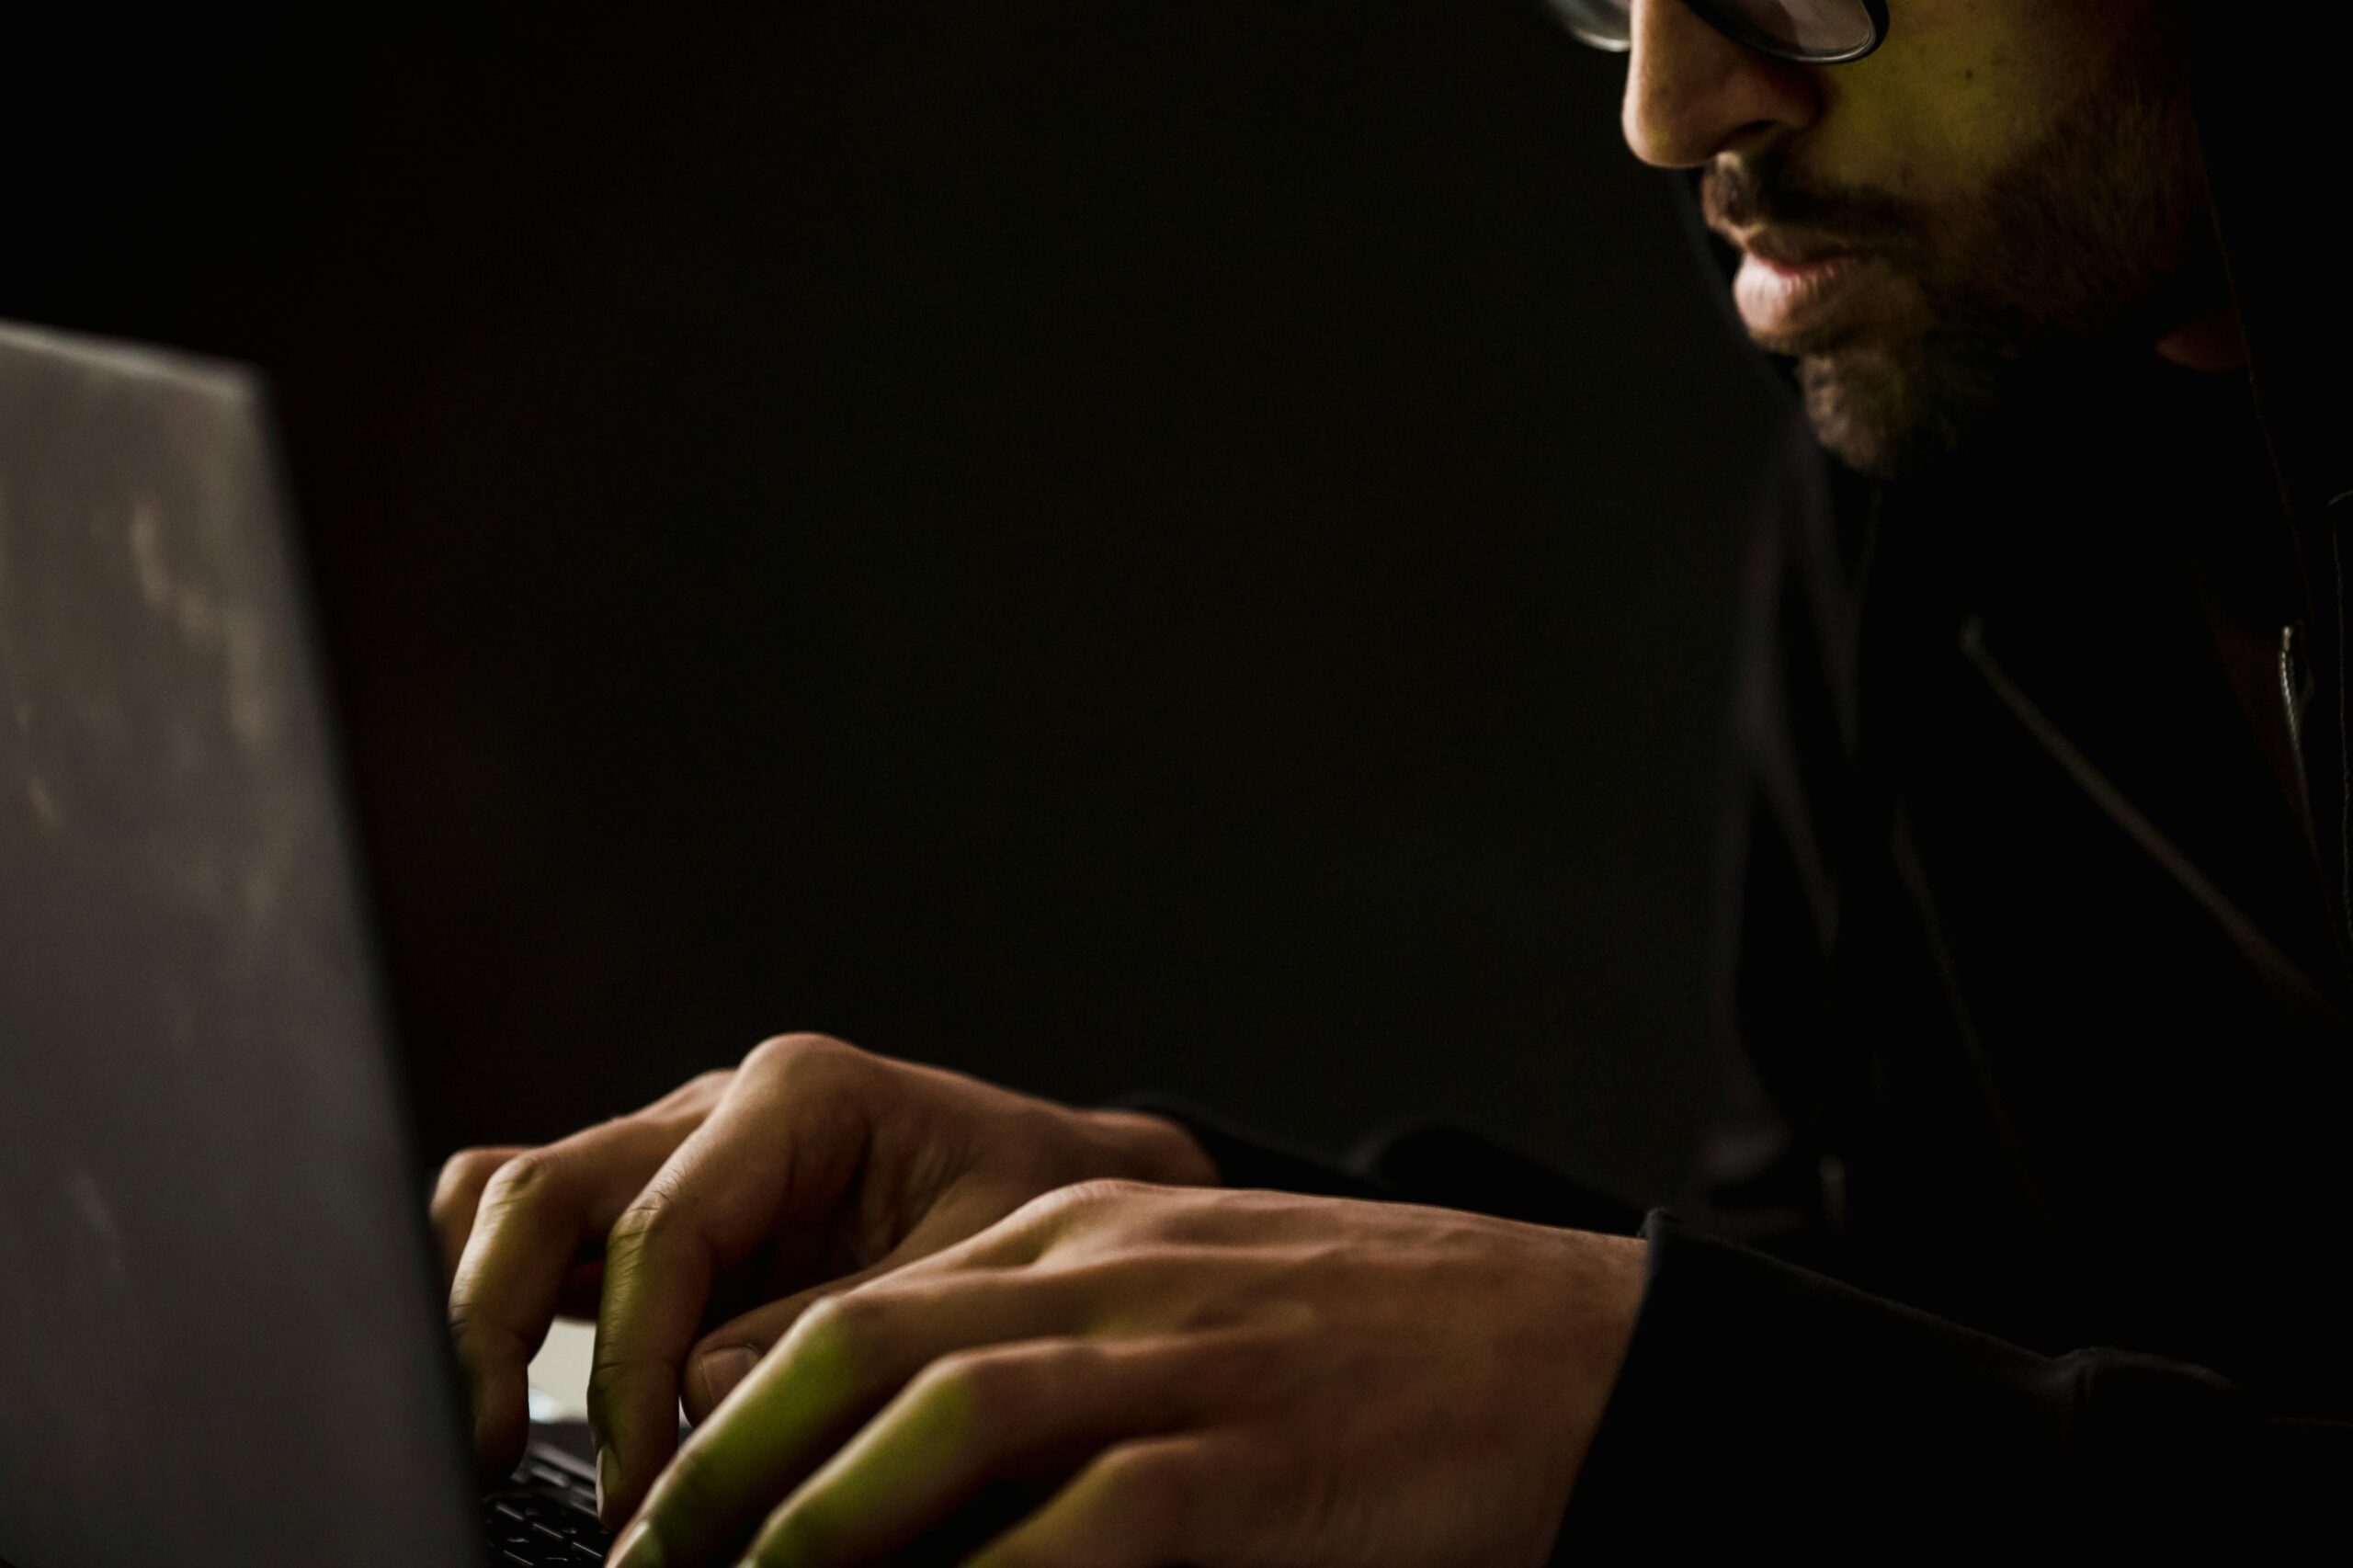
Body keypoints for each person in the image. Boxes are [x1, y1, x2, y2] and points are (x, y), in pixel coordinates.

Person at [430, 1, 2353, 1559]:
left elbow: (1789, 1421)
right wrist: (1155, 1215)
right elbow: (1900, 1323)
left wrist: (1644, 1408)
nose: (1671, 109)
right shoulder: (1937, 447)